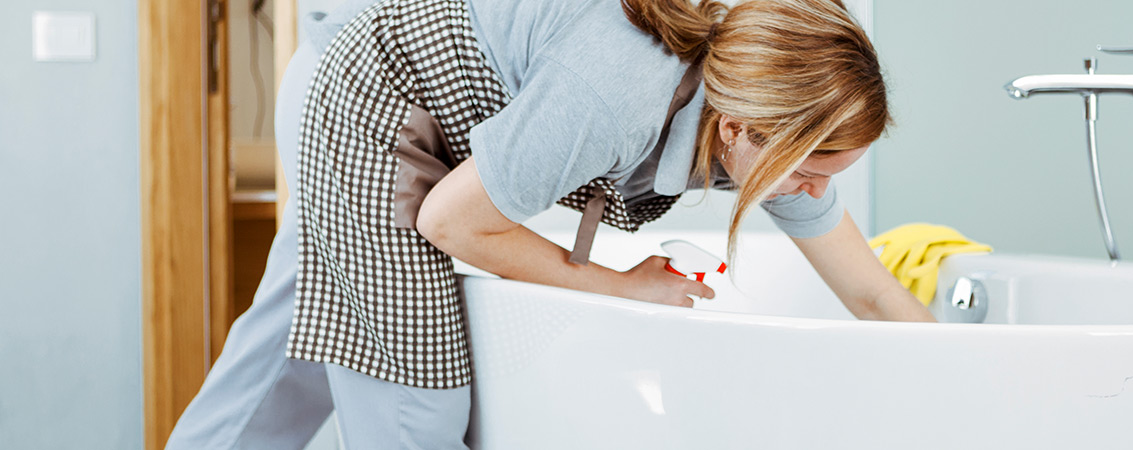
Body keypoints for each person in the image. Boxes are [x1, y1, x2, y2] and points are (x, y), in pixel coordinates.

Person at [166, 0, 935, 448]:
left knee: (295, 350)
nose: (807, 193)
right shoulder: (620, 91)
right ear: (741, 129)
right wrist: (621, 287)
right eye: (806, 173)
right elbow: (455, 222)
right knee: (417, 406)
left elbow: (871, 294)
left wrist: (963, 376)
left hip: (434, 116)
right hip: (375, 101)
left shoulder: (766, 119)